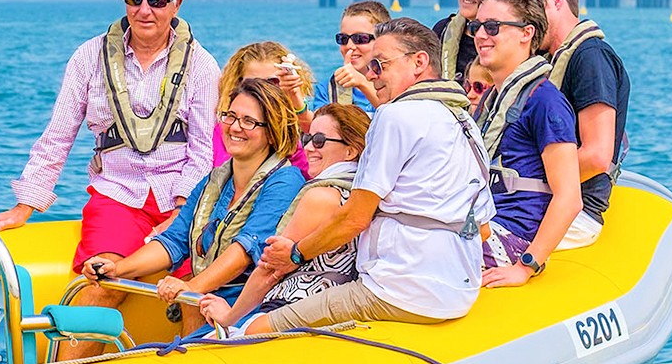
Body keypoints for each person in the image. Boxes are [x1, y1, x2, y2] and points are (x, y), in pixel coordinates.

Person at [0, 0, 221, 352]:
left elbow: (202, 150)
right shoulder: (88, 57)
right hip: (117, 194)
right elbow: (58, 135)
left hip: (182, 198)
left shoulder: (202, 66)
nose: (145, 10)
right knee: (104, 278)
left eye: (157, 0)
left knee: (193, 285)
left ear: (176, 3)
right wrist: (25, 206)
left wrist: (182, 212)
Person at [251, 18, 494, 334]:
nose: (370, 75)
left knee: (259, 325)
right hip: (459, 291)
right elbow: (483, 228)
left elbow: (355, 219)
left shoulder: (394, 115)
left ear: (419, 62)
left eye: (379, 65)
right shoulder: (465, 121)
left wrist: (295, 254)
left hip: (399, 292)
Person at [81, 79, 304, 334]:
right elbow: (175, 239)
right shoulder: (215, 179)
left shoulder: (285, 180)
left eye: (249, 121)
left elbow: (245, 251)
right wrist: (118, 269)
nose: (235, 127)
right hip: (210, 301)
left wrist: (191, 287)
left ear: (272, 130)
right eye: (230, 116)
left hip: (250, 307)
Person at [197, 103, 370, 330]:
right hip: (339, 312)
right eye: (307, 138)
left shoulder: (321, 197)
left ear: (350, 151)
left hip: (289, 306)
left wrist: (229, 317)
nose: (308, 148)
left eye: (319, 140)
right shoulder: (366, 198)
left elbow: (270, 270)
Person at [470, 0, 582, 288]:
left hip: (513, 237)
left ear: (526, 33)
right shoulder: (490, 103)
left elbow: (570, 197)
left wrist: (526, 266)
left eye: (492, 27)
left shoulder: (545, 102)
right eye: (477, 27)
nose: (480, 35)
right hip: (481, 224)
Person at [528, 0, 630, 250]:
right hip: (545, 201)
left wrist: (527, 182)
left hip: (576, 212)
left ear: (556, 0)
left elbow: (597, 156)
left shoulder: (590, 57)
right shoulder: (549, 59)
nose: (527, 21)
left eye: (531, 8)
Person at [212, 42, 313, 177]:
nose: (262, 91)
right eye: (252, 83)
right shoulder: (226, 130)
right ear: (238, 84)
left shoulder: (295, 130)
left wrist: (296, 101)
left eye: (272, 82)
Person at [309, 0, 390, 117]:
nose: (350, 46)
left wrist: (362, 82)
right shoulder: (328, 89)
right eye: (343, 39)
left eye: (361, 39)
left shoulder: (399, 83)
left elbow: (398, 118)